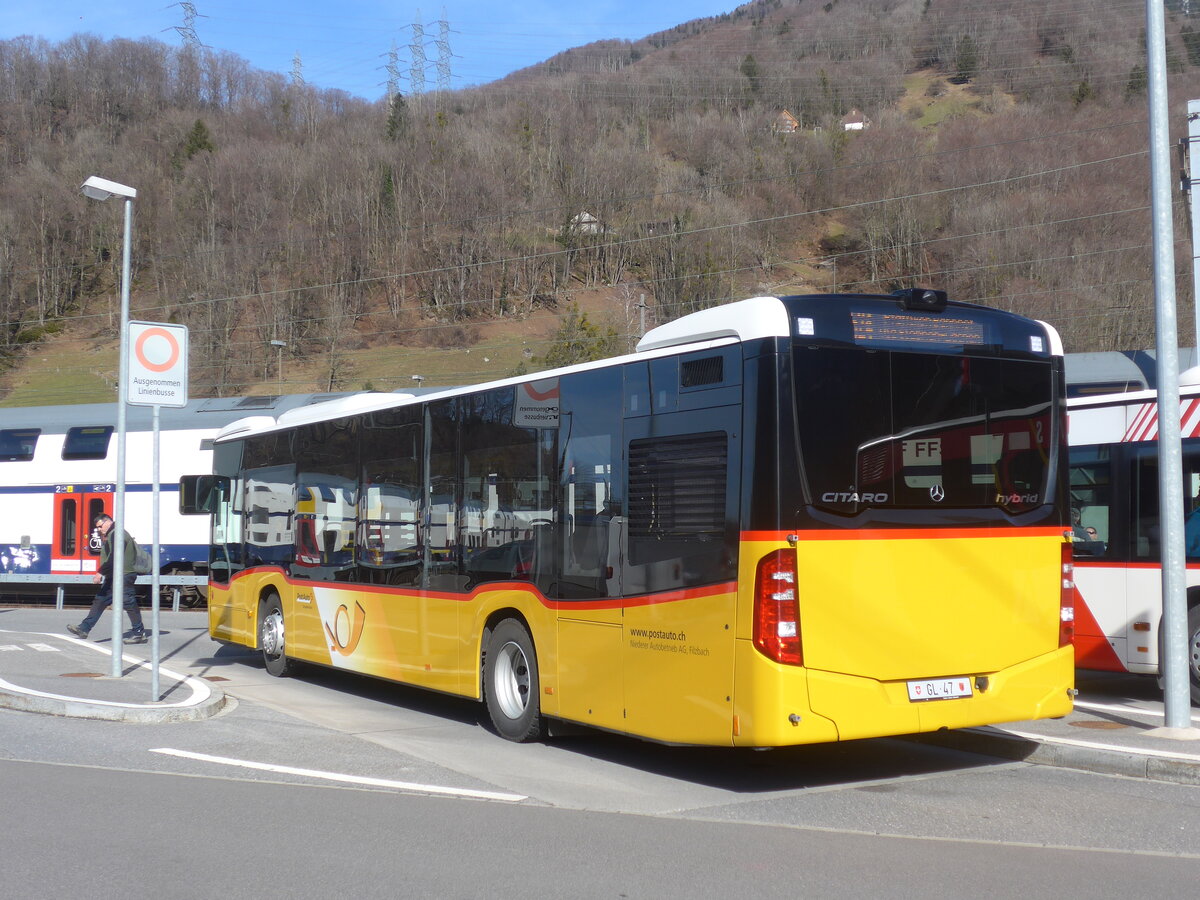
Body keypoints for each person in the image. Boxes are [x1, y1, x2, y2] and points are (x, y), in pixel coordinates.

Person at [66, 514, 147, 644]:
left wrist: (100, 573)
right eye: (97, 527)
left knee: (128, 602)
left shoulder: (117, 534)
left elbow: (114, 557)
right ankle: (84, 628)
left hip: (124, 574)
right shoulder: (112, 534)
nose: (99, 529)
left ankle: (139, 633)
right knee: (101, 599)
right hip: (115, 574)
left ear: (108, 522)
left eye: (100, 526)